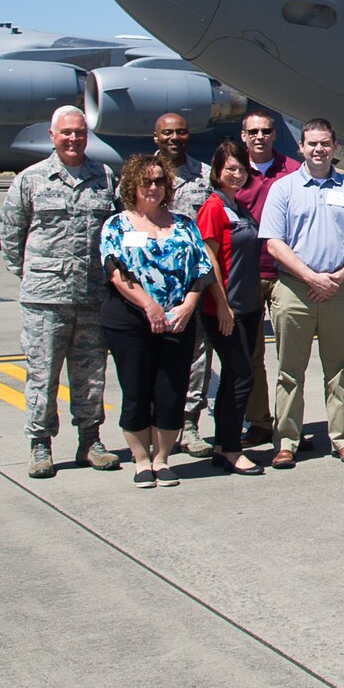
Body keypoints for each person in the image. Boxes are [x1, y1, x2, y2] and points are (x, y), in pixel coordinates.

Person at [0, 105, 120, 478]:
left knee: (91, 373)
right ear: (52, 136)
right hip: (45, 300)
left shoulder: (104, 177)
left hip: (92, 295)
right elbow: (11, 233)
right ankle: (39, 444)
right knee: (42, 374)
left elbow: (114, 229)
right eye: (66, 132)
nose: (73, 138)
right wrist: (34, 274)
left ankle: (90, 440)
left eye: (79, 132)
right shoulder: (31, 179)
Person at [259, 118, 344, 467]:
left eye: (325, 143)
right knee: (289, 370)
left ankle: (343, 439)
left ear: (335, 146)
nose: (318, 149)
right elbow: (273, 243)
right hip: (295, 289)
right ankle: (286, 441)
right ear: (300, 147)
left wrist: (339, 277)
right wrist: (311, 277)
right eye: (312, 143)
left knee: (341, 368)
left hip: (340, 290)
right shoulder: (283, 189)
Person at [99, 155, 213, 487]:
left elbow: (202, 271)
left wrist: (188, 305)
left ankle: (162, 458)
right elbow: (116, 273)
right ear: (132, 186)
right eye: (146, 181)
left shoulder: (182, 223)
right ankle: (141, 460)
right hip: (131, 320)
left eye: (160, 181)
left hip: (177, 320)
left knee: (171, 390)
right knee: (135, 389)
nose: (153, 187)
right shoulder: (117, 224)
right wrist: (148, 305)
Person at [196, 140, 267, 474]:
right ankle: (233, 448)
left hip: (248, 304)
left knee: (233, 377)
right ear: (217, 171)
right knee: (241, 376)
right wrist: (222, 305)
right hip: (226, 307)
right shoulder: (213, 207)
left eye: (241, 168)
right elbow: (209, 258)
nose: (236, 174)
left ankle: (223, 444)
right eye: (230, 169)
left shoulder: (236, 205)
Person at [234, 107, 298, 447]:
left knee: (290, 356)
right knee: (250, 354)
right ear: (244, 136)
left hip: (284, 273)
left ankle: (290, 425)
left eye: (266, 131)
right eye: (253, 132)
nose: (260, 137)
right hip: (245, 274)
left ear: (275, 135)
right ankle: (259, 421)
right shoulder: (233, 171)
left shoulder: (292, 170)